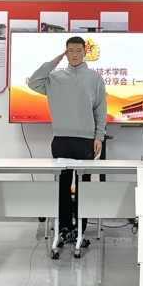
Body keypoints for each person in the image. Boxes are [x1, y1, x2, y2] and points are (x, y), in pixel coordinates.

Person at [28, 36, 107, 244]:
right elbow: (33, 82)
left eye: (78, 50)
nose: (74, 54)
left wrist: (99, 136)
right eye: (70, 50)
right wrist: (53, 62)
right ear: (65, 53)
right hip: (61, 139)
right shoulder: (55, 79)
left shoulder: (95, 78)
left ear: (85, 52)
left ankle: (80, 229)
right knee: (62, 185)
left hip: (86, 140)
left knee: (83, 185)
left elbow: (100, 109)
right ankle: (64, 227)